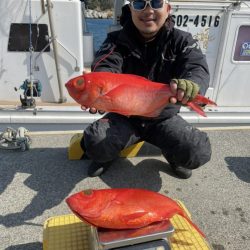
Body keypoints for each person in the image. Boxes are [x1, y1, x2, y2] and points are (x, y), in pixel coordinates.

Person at [81, 0, 212, 179]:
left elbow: (196, 67)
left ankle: (173, 155)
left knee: (197, 151)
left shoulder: (182, 40)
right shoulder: (115, 40)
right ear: (131, 9)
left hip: (163, 117)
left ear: (168, 9)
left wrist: (191, 84)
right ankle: (106, 157)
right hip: (125, 117)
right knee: (94, 142)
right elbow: (106, 65)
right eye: (139, 3)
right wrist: (98, 87)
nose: (148, 10)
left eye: (156, 2)